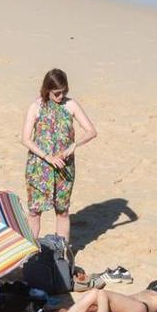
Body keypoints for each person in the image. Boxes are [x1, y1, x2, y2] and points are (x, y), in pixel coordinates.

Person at [21, 68, 97, 245]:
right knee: (34, 211)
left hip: (64, 167)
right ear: (47, 89)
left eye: (64, 92)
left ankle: (62, 252)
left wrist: (74, 145)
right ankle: (30, 253)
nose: (60, 96)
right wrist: (47, 156)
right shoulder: (36, 107)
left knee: (62, 211)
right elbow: (25, 139)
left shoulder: (71, 105)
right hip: (40, 167)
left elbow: (92, 131)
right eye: (56, 93)